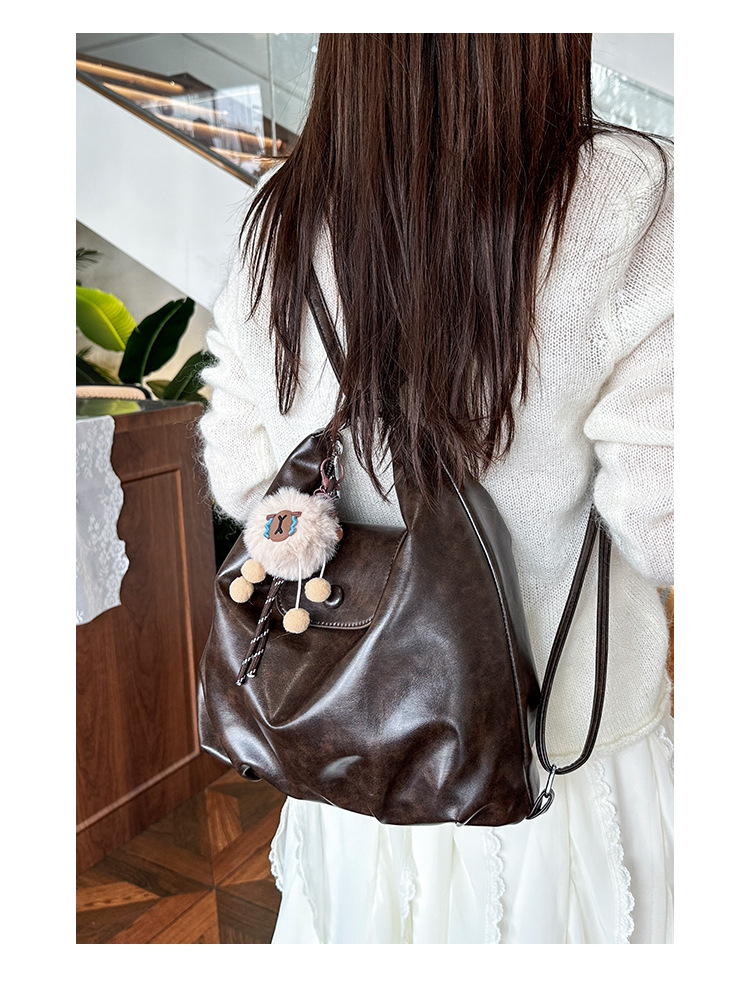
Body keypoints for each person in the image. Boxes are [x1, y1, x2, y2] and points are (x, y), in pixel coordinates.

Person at [199, 33, 673, 944]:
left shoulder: (283, 209)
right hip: (558, 757)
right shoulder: (635, 196)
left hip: (343, 742)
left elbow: (239, 471)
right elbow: (666, 530)